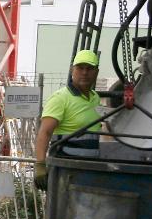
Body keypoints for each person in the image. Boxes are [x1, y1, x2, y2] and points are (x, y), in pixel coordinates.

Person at [34, 49, 103, 190]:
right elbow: (44, 132)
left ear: (96, 72)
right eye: (80, 68)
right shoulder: (60, 98)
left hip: (89, 170)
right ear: (72, 70)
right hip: (66, 171)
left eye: (89, 68)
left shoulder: (95, 98)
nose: (84, 72)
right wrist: (40, 165)